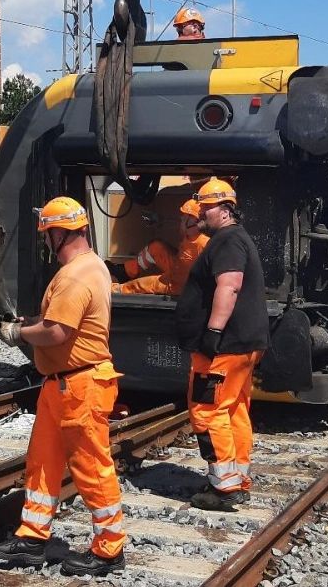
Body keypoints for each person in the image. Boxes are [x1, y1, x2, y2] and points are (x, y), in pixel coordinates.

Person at [0, 197, 126, 577]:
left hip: (80, 385)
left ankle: (109, 548)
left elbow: (58, 330)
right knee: (42, 463)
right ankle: (33, 536)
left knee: (91, 468)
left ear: (60, 233)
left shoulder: (76, 275)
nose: (46, 241)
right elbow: (58, 320)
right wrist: (34, 321)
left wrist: (17, 332)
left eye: (48, 234)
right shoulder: (89, 266)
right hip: (61, 386)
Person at [174, 179, 269, 512]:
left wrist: (213, 332)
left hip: (223, 348)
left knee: (208, 410)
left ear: (224, 209)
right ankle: (237, 479)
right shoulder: (234, 239)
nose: (199, 213)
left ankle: (223, 488)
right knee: (234, 410)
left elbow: (228, 286)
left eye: (205, 208)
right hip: (242, 346)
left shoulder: (227, 242)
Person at [110, 199, 210, 295]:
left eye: (186, 216)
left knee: (138, 285)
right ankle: (126, 272)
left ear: (195, 221)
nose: (182, 218)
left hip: (177, 286)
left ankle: (113, 290)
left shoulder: (203, 243)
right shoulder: (190, 234)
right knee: (156, 247)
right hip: (177, 269)